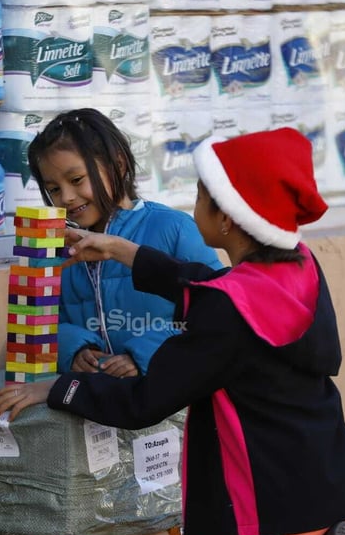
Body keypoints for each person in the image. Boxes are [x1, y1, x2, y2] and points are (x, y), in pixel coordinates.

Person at [0, 128, 345, 535]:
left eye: (201, 196)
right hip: (337, 491)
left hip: (262, 517)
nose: (194, 206)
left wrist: (59, 388)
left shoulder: (225, 310)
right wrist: (123, 251)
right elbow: (211, 285)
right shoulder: (299, 269)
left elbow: (143, 402)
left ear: (227, 217)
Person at [26, 108, 222, 378]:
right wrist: (73, 350)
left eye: (76, 180)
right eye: (54, 189)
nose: (67, 197)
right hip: (91, 398)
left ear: (117, 164)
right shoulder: (51, 246)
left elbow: (218, 314)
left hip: (164, 398)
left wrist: (145, 355)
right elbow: (35, 322)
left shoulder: (173, 228)